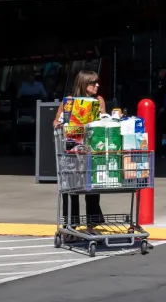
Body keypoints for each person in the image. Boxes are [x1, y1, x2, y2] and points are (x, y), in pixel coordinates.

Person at [54, 69, 105, 230]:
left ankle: (93, 221)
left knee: (92, 186)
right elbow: (56, 121)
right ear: (83, 84)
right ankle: (71, 223)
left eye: (97, 82)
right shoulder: (69, 101)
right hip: (72, 148)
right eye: (92, 82)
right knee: (71, 187)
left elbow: (104, 118)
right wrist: (59, 125)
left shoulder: (99, 100)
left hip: (91, 147)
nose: (97, 85)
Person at [152, 68, 166, 156]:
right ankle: (164, 150)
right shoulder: (160, 82)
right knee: (162, 131)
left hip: (165, 110)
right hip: (162, 108)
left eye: (160, 72)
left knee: (165, 131)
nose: (159, 74)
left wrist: (163, 107)